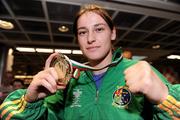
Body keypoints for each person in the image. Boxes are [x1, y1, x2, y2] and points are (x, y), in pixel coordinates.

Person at [0, 4, 179, 120]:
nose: (90, 39)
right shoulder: (68, 81)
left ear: (113, 33)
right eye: (83, 32)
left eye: (99, 29)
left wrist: (164, 97)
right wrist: (30, 100)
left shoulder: (140, 72)